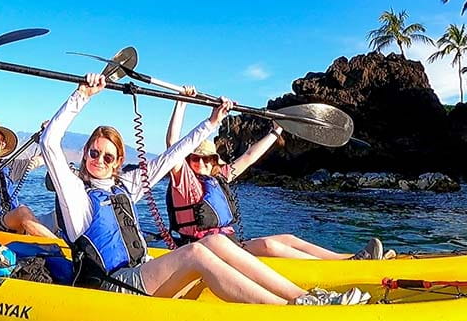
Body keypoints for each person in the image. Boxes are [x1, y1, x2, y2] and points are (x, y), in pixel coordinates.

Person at [40, 73, 369, 306]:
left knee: (213, 241)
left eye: (107, 155)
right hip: (112, 290)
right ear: (84, 155)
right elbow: (50, 143)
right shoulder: (76, 198)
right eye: (93, 153)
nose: (98, 159)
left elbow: (173, 154)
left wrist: (212, 122)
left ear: (118, 161)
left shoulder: (126, 185)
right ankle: (290, 311)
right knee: (197, 251)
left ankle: (304, 297)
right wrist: (81, 96)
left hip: (139, 275)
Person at [164, 89, 387, 260]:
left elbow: (250, 156)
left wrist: (276, 131)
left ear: (214, 161)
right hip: (205, 251)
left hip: (228, 245)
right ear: (188, 160)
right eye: (195, 158)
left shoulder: (219, 177)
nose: (201, 162)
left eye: (207, 159)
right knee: (269, 247)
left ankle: (344, 259)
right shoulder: (184, 182)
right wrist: (181, 103)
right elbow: (172, 145)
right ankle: (332, 268)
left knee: (287, 239)